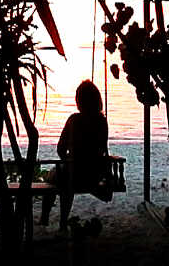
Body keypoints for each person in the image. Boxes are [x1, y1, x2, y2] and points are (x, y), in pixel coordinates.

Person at [40, 79, 109, 230]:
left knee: (54, 178)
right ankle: (62, 222)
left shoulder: (74, 120)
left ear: (79, 101)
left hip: (74, 173)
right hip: (93, 175)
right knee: (67, 178)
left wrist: (68, 160)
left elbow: (60, 148)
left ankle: (45, 216)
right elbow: (102, 149)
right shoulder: (102, 121)